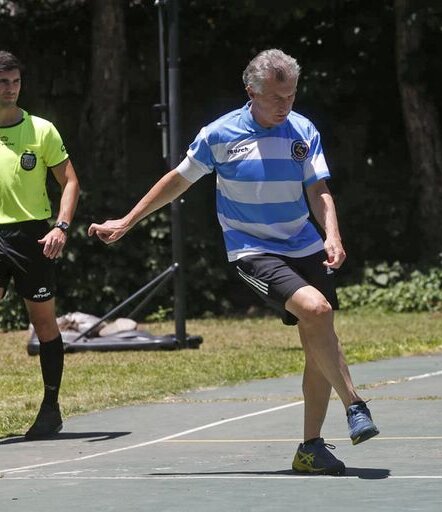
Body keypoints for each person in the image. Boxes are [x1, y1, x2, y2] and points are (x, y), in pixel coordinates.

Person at [88, 48, 379, 475]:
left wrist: (332, 234)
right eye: (277, 97)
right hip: (253, 250)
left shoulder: (302, 130)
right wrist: (128, 221)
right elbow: (177, 181)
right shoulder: (220, 135)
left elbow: (319, 190)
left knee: (316, 338)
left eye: (292, 95)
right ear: (252, 91)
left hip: (305, 245)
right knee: (317, 310)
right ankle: (355, 404)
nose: (286, 105)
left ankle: (310, 449)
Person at [0, 51, 80, 440]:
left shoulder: (42, 130)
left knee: (44, 324)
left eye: (14, 81)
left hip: (31, 237)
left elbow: (70, 182)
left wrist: (61, 227)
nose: (10, 89)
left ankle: (51, 408)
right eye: (3, 82)